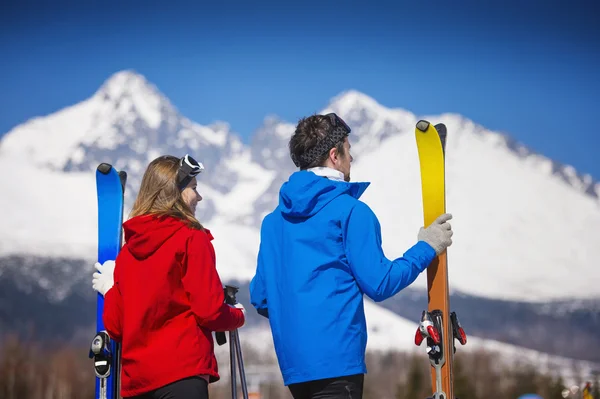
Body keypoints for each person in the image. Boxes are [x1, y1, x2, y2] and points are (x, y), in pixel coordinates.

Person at [249, 113, 454, 399]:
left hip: (294, 369)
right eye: (348, 149)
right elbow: (380, 283)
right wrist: (426, 247)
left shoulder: (272, 223)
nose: (352, 157)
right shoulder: (351, 212)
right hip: (339, 364)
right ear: (334, 155)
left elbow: (261, 296)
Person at [91, 154, 245, 399]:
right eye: (194, 188)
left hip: (137, 383)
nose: (199, 196)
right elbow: (209, 311)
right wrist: (237, 316)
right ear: (178, 193)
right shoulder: (191, 237)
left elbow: (116, 327)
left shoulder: (128, 252)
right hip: (182, 375)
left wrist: (111, 290)